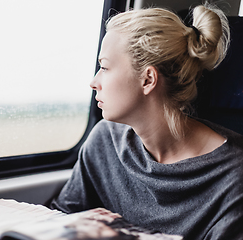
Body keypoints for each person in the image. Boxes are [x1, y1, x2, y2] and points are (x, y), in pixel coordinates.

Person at [50, 3, 243, 240]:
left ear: (148, 79)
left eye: (104, 67)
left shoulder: (234, 177)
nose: (93, 82)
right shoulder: (104, 141)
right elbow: (62, 220)